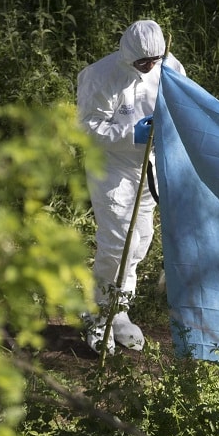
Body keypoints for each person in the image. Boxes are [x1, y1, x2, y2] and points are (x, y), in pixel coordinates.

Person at [76, 20, 186, 353]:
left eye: (154, 60)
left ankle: (120, 311)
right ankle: (99, 315)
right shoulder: (101, 76)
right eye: (143, 61)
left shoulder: (169, 68)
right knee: (117, 244)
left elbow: (183, 104)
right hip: (112, 168)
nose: (149, 66)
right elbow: (87, 129)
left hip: (148, 165)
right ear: (128, 55)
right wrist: (131, 134)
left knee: (140, 241)